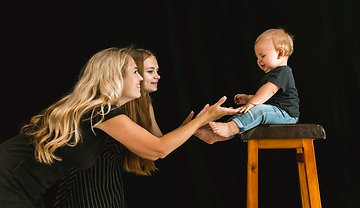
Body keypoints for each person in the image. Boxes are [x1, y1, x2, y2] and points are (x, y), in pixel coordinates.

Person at [0, 47, 240, 208]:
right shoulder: (100, 111)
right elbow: (157, 149)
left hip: (27, 189)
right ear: (115, 77)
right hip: (8, 180)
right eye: (135, 72)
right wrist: (204, 117)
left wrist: (195, 127)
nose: (140, 79)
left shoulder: (102, 110)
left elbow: (156, 145)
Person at [54, 48, 194, 207]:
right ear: (119, 75)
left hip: (109, 181)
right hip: (88, 183)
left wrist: (187, 128)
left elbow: (159, 143)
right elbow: (158, 150)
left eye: (156, 70)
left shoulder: (143, 103)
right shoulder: (107, 109)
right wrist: (203, 118)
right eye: (147, 71)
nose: (156, 76)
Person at [195, 28, 300, 144]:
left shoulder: (283, 72)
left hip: (286, 115)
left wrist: (252, 102)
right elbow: (267, 98)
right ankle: (215, 136)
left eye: (263, 56)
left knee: (258, 110)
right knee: (244, 112)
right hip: (274, 111)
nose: (259, 61)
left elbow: (268, 91)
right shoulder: (274, 73)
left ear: (280, 53)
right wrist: (248, 98)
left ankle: (229, 128)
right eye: (257, 57)